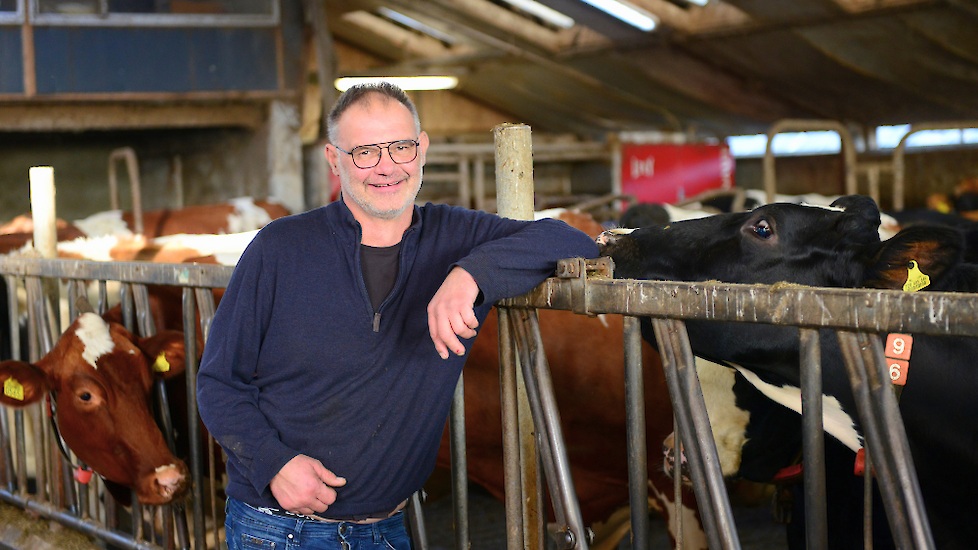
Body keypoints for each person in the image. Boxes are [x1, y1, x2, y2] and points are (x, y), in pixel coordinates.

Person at [196, 81, 599, 550]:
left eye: (401, 147)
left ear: (422, 149)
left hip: (386, 531)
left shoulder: (456, 234)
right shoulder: (279, 248)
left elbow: (572, 241)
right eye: (364, 151)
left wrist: (469, 275)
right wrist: (273, 465)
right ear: (334, 160)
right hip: (279, 528)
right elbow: (219, 382)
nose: (387, 168)